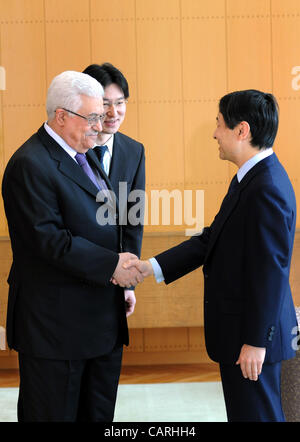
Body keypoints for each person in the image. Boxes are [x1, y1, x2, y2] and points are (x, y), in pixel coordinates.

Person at [120, 90, 298, 422]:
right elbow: (210, 239)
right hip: (241, 337)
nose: (215, 133)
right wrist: (149, 267)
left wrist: (256, 343)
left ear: (241, 130)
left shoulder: (266, 188)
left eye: (219, 124)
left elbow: (270, 273)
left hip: (252, 341)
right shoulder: (249, 179)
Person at [2, 70, 143, 422]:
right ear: (61, 116)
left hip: (101, 321)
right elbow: (50, 241)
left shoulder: (88, 153)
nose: (101, 125)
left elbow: (112, 223)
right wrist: (112, 266)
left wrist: (119, 280)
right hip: (56, 330)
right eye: (93, 117)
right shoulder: (29, 165)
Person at [82, 62, 145, 317]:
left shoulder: (134, 151)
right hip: (75, 275)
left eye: (120, 103)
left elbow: (133, 218)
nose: (113, 112)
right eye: (104, 103)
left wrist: (128, 283)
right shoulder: (70, 151)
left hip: (114, 281)